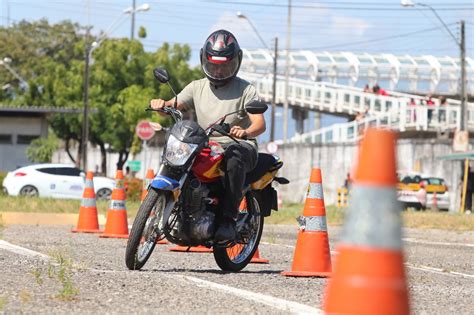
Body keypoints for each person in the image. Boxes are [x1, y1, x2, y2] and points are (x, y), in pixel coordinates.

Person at [149, 30, 266, 241]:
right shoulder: (197, 86)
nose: (219, 71)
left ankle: (228, 220)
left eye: (225, 66)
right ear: (204, 60)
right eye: (214, 65)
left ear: (236, 62)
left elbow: (259, 124)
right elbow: (173, 104)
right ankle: (187, 208)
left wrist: (245, 131)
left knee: (234, 157)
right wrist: (161, 105)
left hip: (239, 144)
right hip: (207, 143)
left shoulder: (246, 90)